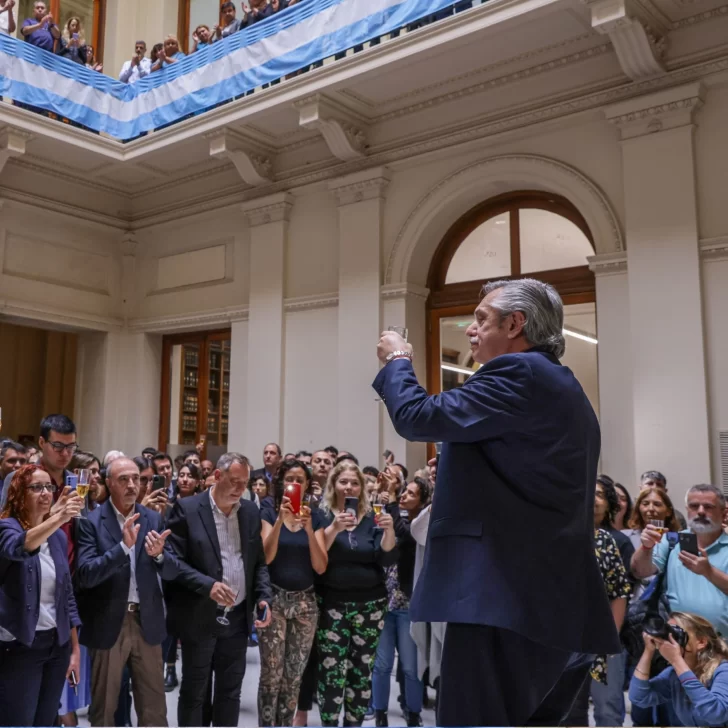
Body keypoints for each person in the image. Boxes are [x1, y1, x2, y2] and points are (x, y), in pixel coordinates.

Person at [374, 278, 619, 727]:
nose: (470, 329)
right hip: (549, 602)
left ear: (515, 323)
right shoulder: (562, 385)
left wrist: (398, 359)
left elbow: (418, 417)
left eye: (482, 319)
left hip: (505, 597)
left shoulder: (521, 372)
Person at [166, 452, 273, 727]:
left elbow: (257, 562)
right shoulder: (188, 509)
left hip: (237, 617)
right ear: (217, 476)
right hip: (200, 614)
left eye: (245, 483)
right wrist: (208, 586)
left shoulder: (249, 510)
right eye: (234, 481)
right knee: (195, 692)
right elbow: (172, 562)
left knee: (230, 692)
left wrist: (263, 597)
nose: (240, 488)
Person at [75, 457, 178, 727]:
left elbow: (172, 570)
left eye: (136, 478)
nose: (132, 485)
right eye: (124, 479)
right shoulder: (91, 521)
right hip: (110, 623)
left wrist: (158, 557)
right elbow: (86, 575)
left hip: (147, 622)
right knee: (104, 710)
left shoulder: (152, 517)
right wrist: (122, 548)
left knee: (155, 711)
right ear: (108, 483)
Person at [0, 464, 84, 727]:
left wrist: (74, 649)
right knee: (18, 721)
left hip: (55, 646)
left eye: (49, 486)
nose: (46, 493)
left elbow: (66, 597)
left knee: (46, 721)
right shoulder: (6, 527)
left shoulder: (58, 538)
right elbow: (19, 547)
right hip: (21, 644)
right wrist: (57, 518)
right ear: (17, 493)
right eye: (36, 487)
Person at [316, 462, 397, 727]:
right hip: (332, 604)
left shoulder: (373, 515)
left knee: (361, 671)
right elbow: (317, 556)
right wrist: (335, 528)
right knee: (331, 670)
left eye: (354, 482)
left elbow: (386, 559)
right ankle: (329, 723)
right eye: (343, 482)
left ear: (361, 487)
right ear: (333, 485)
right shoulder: (323, 514)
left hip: (370, 605)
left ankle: (354, 723)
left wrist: (389, 530)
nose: (348, 487)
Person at [258, 459, 328, 726]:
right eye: (290, 479)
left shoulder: (316, 515)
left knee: (293, 676)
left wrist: (309, 529)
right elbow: (265, 557)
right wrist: (279, 521)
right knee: (271, 676)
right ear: (281, 482)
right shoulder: (267, 509)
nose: (295, 484)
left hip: (305, 604)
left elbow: (320, 566)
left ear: (308, 484)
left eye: (300, 480)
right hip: (274, 600)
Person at [632, 483, 728, 640]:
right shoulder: (671, 542)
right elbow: (640, 572)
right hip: (678, 643)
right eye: (694, 506)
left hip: (723, 645)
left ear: (724, 513)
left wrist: (709, 572)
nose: (701, 511)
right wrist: (646, 547)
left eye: (708, 507)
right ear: (687, 509)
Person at [373, 475, 431, 728]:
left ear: (423, 501)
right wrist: (384, 497)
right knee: (382, 665)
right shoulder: (389, 515)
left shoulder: (420, 525)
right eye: (403, 492)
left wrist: (394, 499)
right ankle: (380, 714)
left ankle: (414, 712)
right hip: (383, 603)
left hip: (408, 605)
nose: (405, 496)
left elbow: (405, 537)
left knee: (410, 667)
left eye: (411, 493)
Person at [630, 612, 728, 726]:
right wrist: (648, 651)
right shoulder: (673, 674)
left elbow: (715, 713)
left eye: (676, 634)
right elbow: (639, 697)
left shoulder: (723, 671)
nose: (670, 640)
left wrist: (676, 661)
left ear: (701, 642)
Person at [162, 461, 200, 692]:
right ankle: (169, 667)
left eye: (190, 476)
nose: (185, 479)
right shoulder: (167, 504)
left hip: (193, 569)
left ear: (197, 481)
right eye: (182, 475)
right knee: (170, 624)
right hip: (170, 567)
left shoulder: (203, 505)